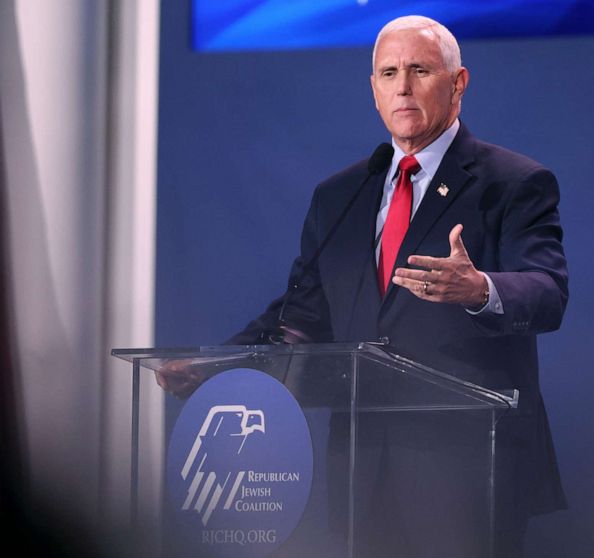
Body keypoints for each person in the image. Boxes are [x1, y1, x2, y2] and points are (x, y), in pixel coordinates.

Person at [157, 14, 567, 557]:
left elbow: (548, 291)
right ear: (372, 89)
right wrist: (216, 365)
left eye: (420, 70)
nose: (402, 85)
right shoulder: (342, 194)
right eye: (388, 72)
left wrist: (480, 288)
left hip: (468, 462)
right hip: (363, 460)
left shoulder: (512, 183)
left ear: (458, 83)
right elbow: (301, 315)